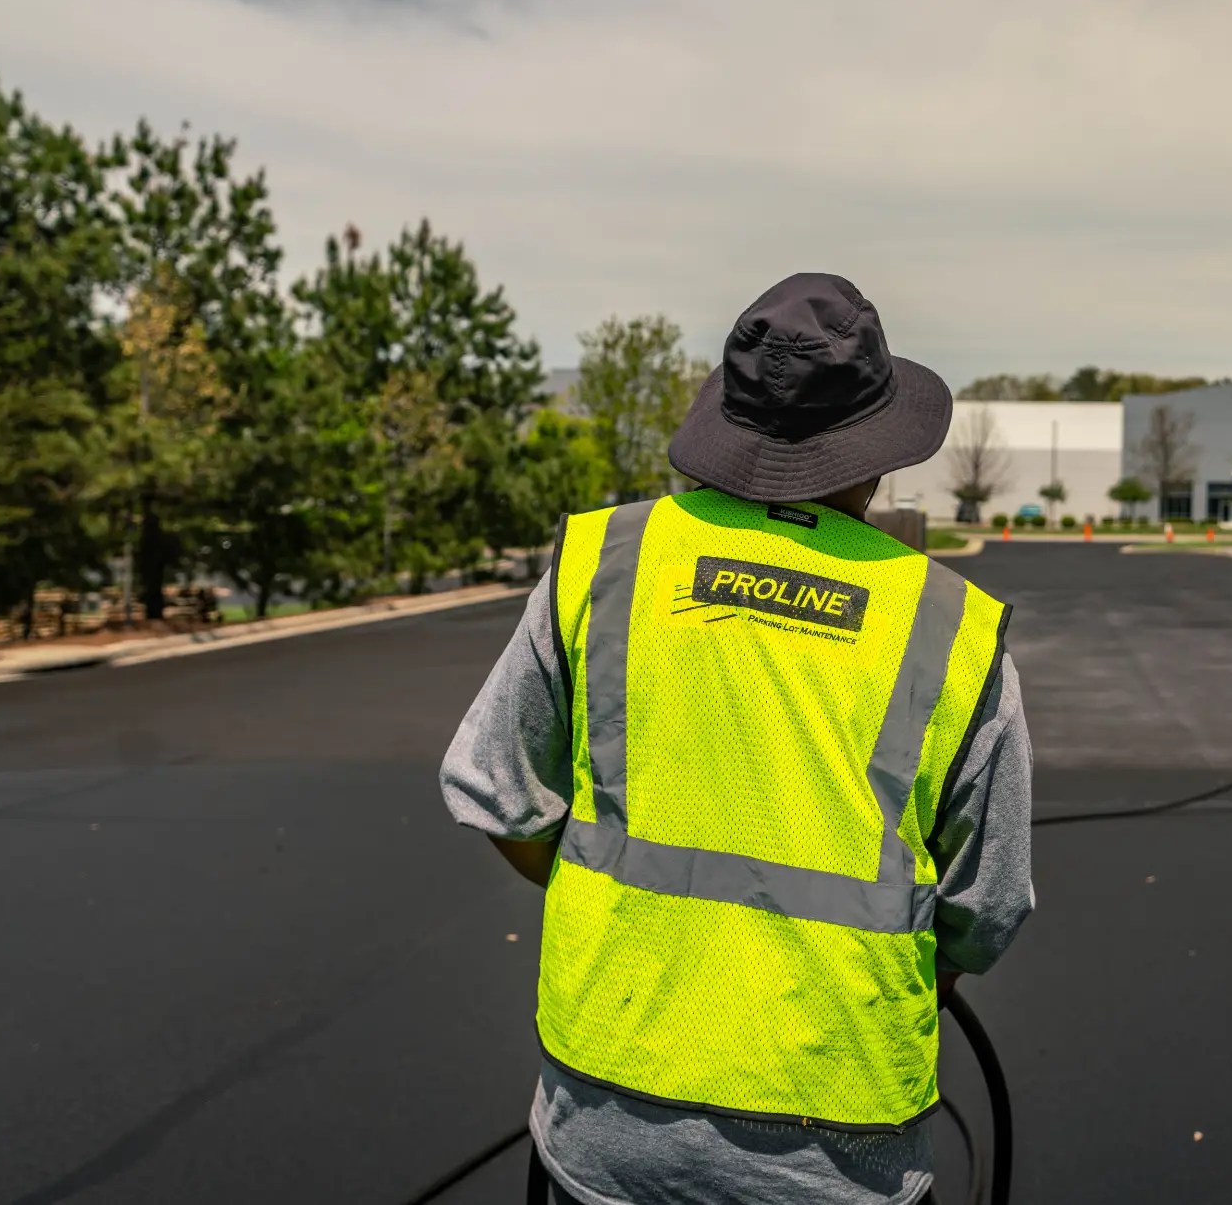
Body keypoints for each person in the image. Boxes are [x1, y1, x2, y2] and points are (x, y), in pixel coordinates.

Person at [441, 273, 1035, 1205]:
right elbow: (986, 907)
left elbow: (494, 790)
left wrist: (621, 909)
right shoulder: (950, 630)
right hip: (837, 1150)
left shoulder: (603, 565)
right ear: (878, 455)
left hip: (605, 1128)